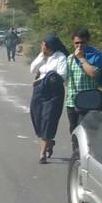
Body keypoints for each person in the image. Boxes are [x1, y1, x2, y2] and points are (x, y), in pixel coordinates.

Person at [29, 34, 69, 163]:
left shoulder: (60, 58)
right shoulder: (43, 56)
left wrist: (45, 78)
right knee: (37, 116)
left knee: (48, 119)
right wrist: (42, 57)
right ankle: (49, 142)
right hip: (39, 90)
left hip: (53, 92)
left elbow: (62, 75)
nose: (42, 46)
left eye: (43, 44)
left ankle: (42, 154)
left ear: (49, 46)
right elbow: (32, 69)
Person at [65, 27, 102, 133]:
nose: (79, 46)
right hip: (72, 102)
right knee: (74, 132)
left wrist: (81, 59)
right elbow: (66, 79)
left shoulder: (95, 56)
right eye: (76, 43)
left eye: (82, 43)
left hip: (89, 102)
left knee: (88, 133)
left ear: (88, 41)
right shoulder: (70, 58)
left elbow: (93, 74)